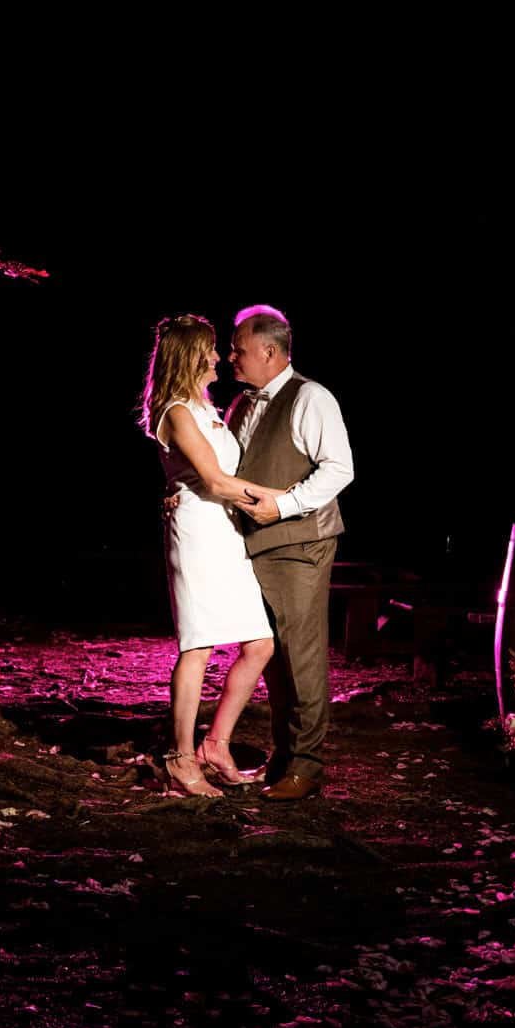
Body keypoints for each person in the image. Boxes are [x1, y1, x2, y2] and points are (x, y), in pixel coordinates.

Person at [140, 314, 280, 796]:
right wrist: (283, 499)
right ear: (190, 355)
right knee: (197, 646)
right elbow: (216, 481)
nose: (220, 356)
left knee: (259, 644)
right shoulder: (176, 410)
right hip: (198, 533)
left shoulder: (206, 406)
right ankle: (180, 757)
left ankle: (215, 744)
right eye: (212, 349)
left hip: (225, 531)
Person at [224, 305, 355, 801]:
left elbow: (339, 468)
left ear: (270, 352)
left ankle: (307, 765)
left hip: (300, 542)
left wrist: (284, 506)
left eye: (238, 349)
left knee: (301, 655)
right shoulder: (241, 404)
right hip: (256, 545)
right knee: (272, 655)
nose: (231, 357)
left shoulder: (311, 397)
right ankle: (284, 755)